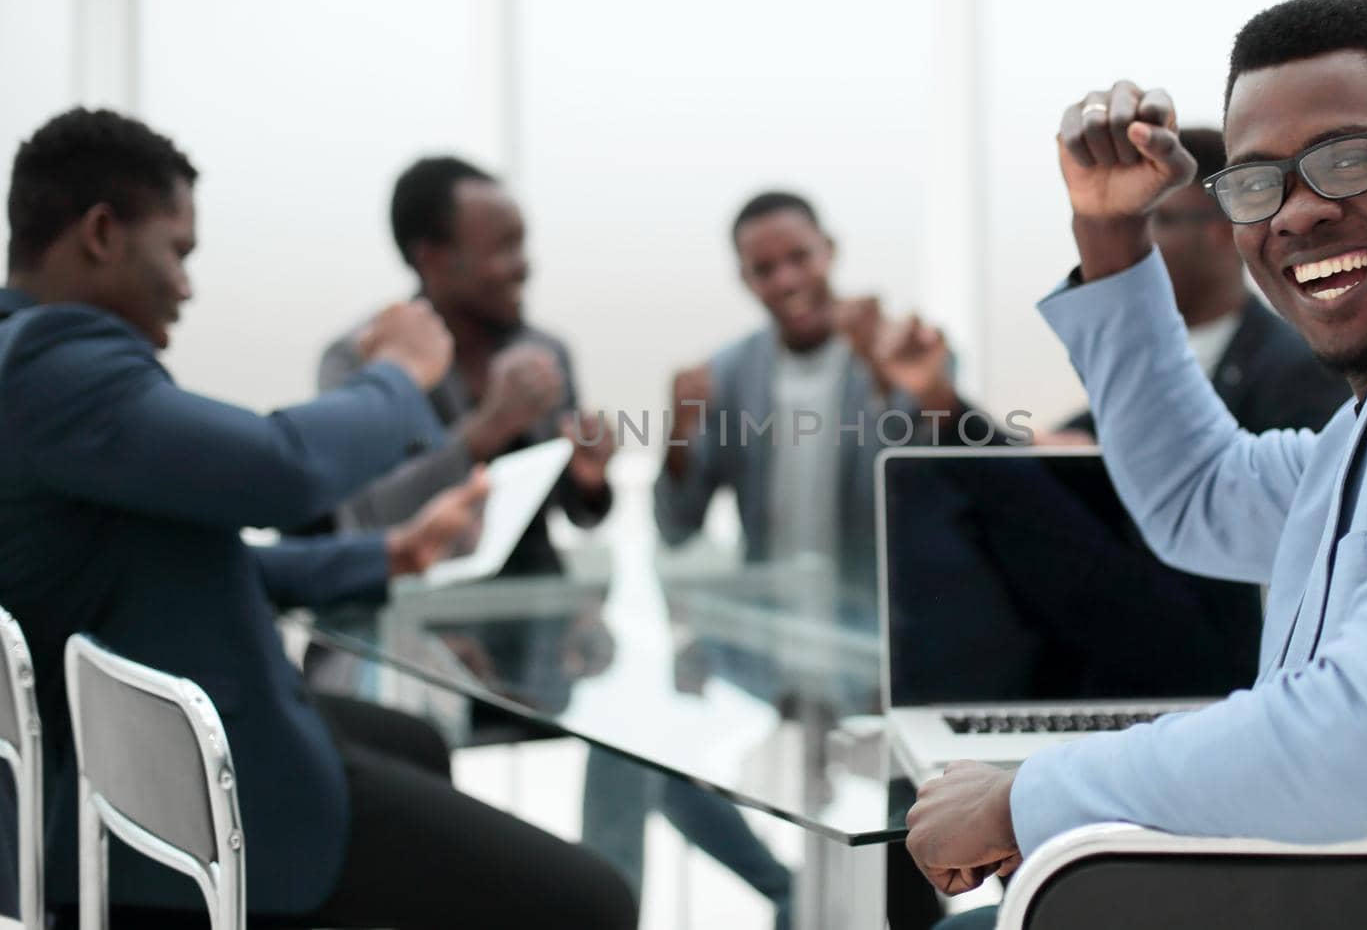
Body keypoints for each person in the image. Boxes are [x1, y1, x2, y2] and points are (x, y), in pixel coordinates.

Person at [907, 0, 1367, 924]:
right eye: (1256, 181)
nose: (1297, 214)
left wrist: (1021, 798)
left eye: (1346, 160)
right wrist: (1111, 232)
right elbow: (1200, 494)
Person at [0, 108, 635, 929]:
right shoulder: (59, 369)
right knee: (596, 902)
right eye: (179, 252)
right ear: (100, 233)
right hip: (190, 789)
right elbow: (283, 469)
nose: (188, 286)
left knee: (418, 744)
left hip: (141, 746)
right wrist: (401, 373)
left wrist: (390, 555)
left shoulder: (30, 358)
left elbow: (200, 557)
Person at [656, 190, 974, 608]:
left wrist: (883, 376)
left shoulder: (905, 351)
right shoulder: (728, 376)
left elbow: (940, 486)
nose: (786, 281)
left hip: (887, 629)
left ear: (830, 251)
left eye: (800, 257)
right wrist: (679, 436)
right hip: (775, 636)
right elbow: (676, 528)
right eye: (764, 269)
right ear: (745, 278)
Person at [319, 156, 615, 566]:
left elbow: (579, 515)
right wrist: (487, 429)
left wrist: (590, 481)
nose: (523, 265)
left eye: (522, 244)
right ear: (432, 259)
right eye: (503, 248)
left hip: (533, 601)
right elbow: (369, 517)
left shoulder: (545, 349)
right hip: (410, 607)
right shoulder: (360, 357)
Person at [1050, 127, 1346, 441]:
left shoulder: (1299, 370)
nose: (1136, 240)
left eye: (1158, 219)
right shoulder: (1145, 358)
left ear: (1223, 231)